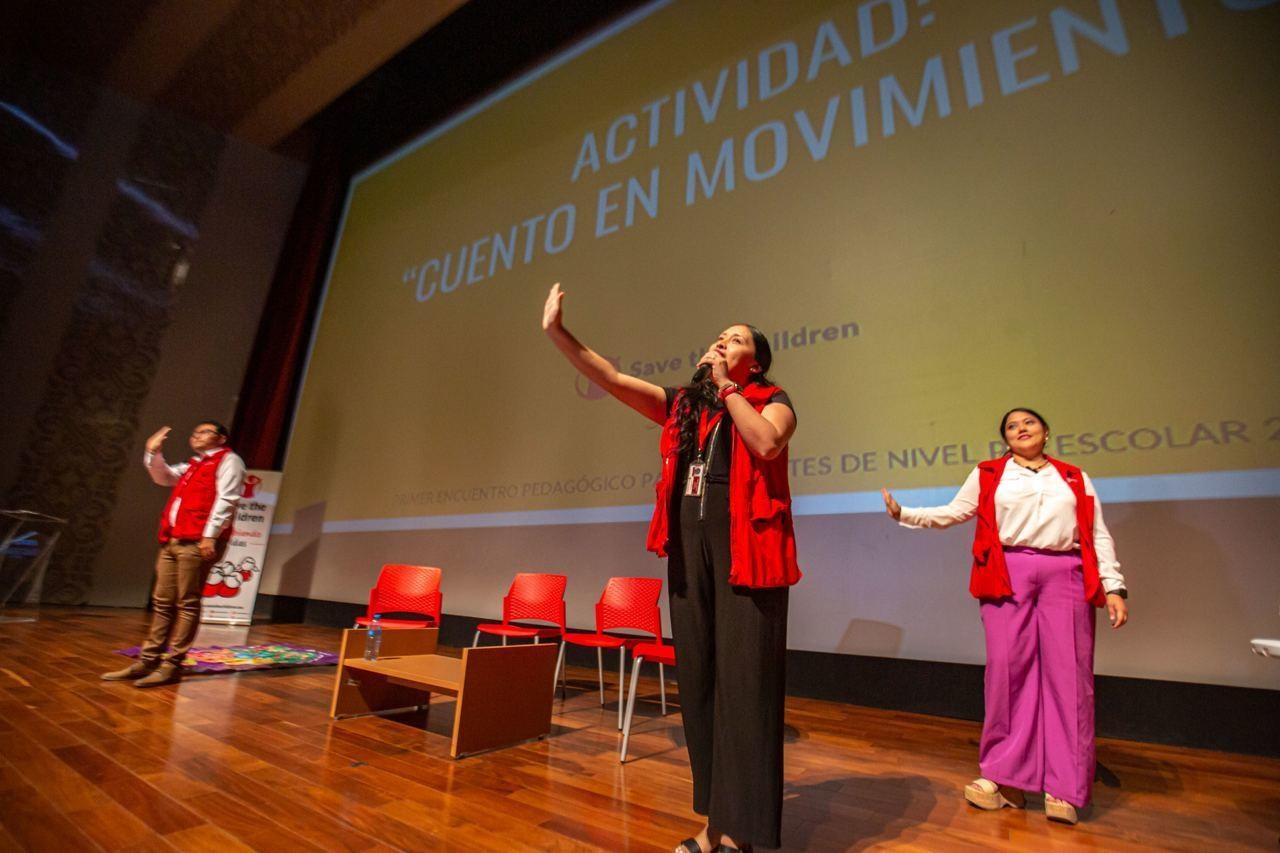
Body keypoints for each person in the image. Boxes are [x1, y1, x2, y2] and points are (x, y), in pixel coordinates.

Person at [542, 283, 800, 852]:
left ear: (752, 361)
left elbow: (765, 445)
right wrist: (558, 333)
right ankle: (714, 824)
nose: (719, 341)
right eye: (718, 336)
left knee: (744, 688)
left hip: (747, 561)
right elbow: (610, 379)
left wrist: (731, 390)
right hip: (690, 556)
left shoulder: (771, 398)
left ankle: (743, 834)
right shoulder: (685, 405)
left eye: (733, 339)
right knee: (702, 686)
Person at [881, 408, 1129, 824]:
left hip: (1065, 574)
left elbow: (1097, 533)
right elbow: (955, 511)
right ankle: (1003, 777)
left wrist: (1114, 585)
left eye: (1028, 422)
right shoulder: (989, 473)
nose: (1021, 429)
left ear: (1046, 431)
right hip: (1007, 572)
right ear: (1005, 439)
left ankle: (1064, 787)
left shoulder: (1073, 476)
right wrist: (906, 514)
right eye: (1012, 426)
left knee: (1070, 676)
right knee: (1006, 672)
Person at [101, 421, 245, 687]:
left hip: (198, 541)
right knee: (163, 601)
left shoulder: (230, 461)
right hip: (173, 539)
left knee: (187, 602)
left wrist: (210, 535)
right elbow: (163, 477)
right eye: (194, 431)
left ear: (221, 438)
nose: (196, 436)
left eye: (204, 432)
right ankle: (148, 660)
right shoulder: (194, 464)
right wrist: (152, 452)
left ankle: (173, 665)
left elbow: (227, 499)